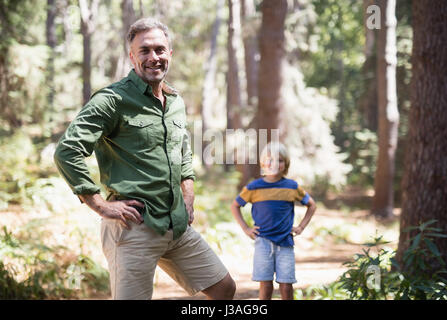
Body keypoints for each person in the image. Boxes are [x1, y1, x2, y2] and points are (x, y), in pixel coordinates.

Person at [54, 18, 235, 300]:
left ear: (170, 54)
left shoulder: (174, 101)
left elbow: (182, 149)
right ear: (132, 56)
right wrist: (100, 204)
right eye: (145, 50)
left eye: (160, 50)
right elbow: (67, 151)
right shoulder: (112, 100)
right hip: (133, 228)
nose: (154, 57)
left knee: (224, 289)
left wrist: (188, 191)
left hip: (175, 224)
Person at [230, 142, 316, 300]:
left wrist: (301, 227)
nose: (274, 164)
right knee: (266, 284)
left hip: (285, 242)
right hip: (263, 242)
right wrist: (246, 229)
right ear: (263, 162)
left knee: (286, 285)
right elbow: (235, 206)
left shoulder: (292, 187)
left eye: (280, 160)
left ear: (286, 164)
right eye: (269, 159)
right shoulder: (254, 187)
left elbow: (311, 205)